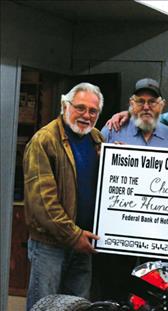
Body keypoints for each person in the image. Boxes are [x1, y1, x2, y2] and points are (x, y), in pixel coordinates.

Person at [96, 78, 168, 302]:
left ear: (161, 105)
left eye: (152, 102)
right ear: (130, 104)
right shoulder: (112, 129)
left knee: (153, 285)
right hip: (118, 226)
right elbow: (94, 163)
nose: (146, 107)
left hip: (156, 228)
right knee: (114, 283)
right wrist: (109, 155)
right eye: (140, 101)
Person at [23, 83, 104, 309]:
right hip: (50, 245)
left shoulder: (97, 139)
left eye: (93, 111)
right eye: (80, 108)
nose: (86, 115)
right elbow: (43, 204)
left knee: (79, 306)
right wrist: (73, 235)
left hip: (84, 243)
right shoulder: (44, 141)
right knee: (44, 305)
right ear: (64, 106)